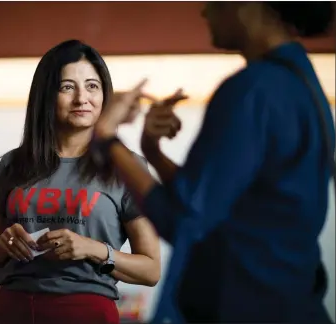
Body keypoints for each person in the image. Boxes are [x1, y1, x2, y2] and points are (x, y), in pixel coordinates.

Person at [91, 2, 335, 323]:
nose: (205, 12)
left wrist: (108, 139)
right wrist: (152, 151)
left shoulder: (252, 89)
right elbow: (217, 202)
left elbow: (180, 219)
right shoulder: (301, 84)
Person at [0, 39, 161, 324]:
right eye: (67, 87)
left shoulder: (126, 166)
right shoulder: (13, 165)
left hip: (86, 313)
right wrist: (2, 248)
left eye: (92, 86)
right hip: (11, 311)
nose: (81, 99)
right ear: (46, 95)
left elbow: (151, 270)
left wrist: (93, 249)